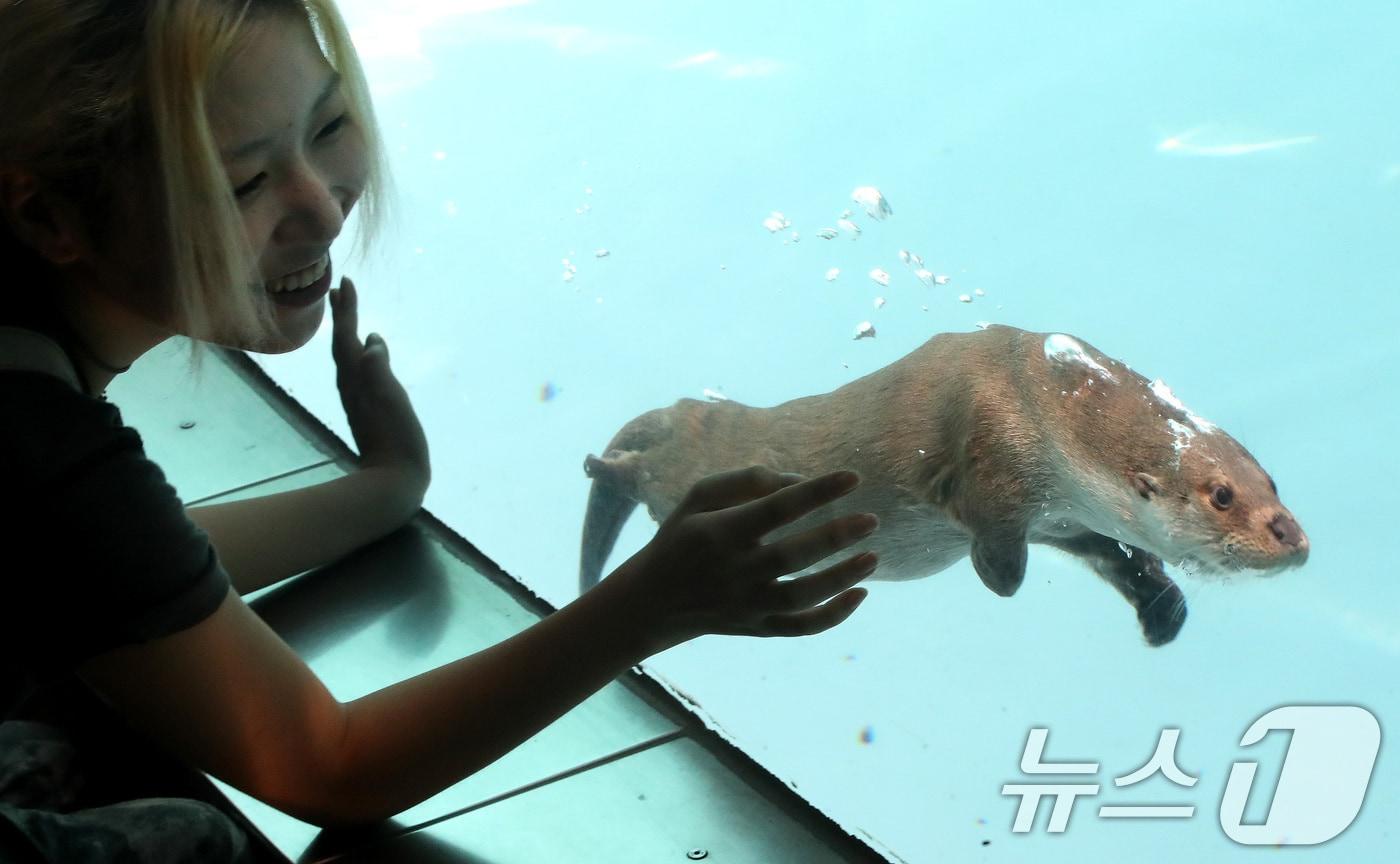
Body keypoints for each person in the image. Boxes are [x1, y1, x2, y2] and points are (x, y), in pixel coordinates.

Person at [0, 1, 881, 860]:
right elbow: (323, 764)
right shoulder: (32, 441)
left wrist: (384, 488)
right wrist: (653, 604)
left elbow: (104, 565)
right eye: (244, 183)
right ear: (49, 217)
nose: (324, 209)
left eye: (330, 123)